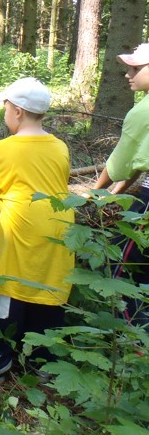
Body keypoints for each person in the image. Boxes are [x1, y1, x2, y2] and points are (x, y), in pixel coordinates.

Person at [0, 77, 75, 377]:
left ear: (19, 111)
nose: (4, 110)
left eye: (6, 105)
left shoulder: (4, 150)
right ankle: (43, 364)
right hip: (60, 237)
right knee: (47, 295)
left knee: (7, 296)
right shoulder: (59, 146)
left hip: (21, 238)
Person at [89, 42, 149, 328]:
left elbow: (120, 162)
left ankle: (136, 343)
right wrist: (118, 192)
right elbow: (140, 161)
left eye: (136, 68)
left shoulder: (142, 112)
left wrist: (97, 192)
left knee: (122, 269)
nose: (128, 74)